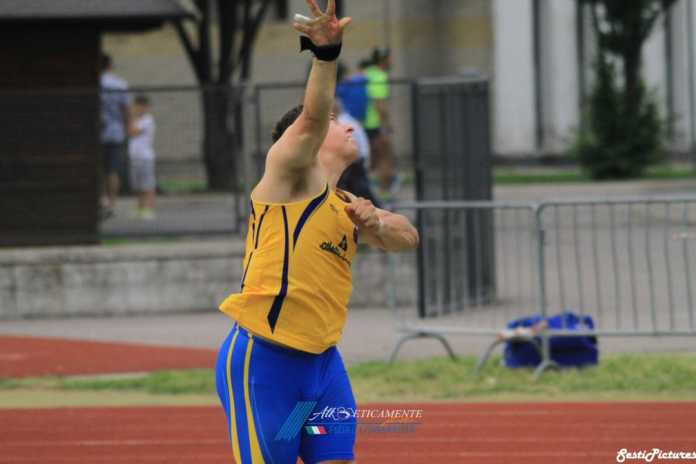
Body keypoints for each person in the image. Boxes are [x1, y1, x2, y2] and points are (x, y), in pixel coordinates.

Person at [214, 2, 419, 463]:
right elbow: (310, 117)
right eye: (333, 121)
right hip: (266, 364)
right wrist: (325, 55)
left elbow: (408, 237)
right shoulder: (285, 179)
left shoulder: (346, 205)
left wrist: (377, 222)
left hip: (323, 368)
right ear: (303, 140)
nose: (345, 125)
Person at [363, 47, 397, 201]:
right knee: (385, 157)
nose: (391, 61)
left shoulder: (367, 73)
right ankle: (383, 193)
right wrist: (386, 126)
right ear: (383, 59)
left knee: (372, 158)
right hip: (375, 124)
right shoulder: (380, 76)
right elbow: (379, 104)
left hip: (364, 123)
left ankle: (371, 190)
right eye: (389, 58)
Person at [100, 53, 131, 219]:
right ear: (110, 66)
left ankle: (102, 200)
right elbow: (125, 109)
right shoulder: (119, 84)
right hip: (115, 132)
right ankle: (112, 204)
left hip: (97, 132)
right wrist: (127, 128)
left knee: (98, 168)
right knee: (112, 170)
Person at [335, 99, 381, 207]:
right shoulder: (349, 119)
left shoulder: (342, 122)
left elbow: (357, 146)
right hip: (358, 163)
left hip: (354, 166)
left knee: (360, 194)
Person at [128, 94, 157, 220]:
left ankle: (149, 209)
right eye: (136, 106)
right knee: (138, 186)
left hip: (145, 157)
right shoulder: (137, 120)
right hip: (135, 157)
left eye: (140, 106)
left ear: (145, 107)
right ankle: (140, 208)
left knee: (148, 185)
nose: (136, 109)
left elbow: (133, 132)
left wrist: (130, 118)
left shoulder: (147, 120)